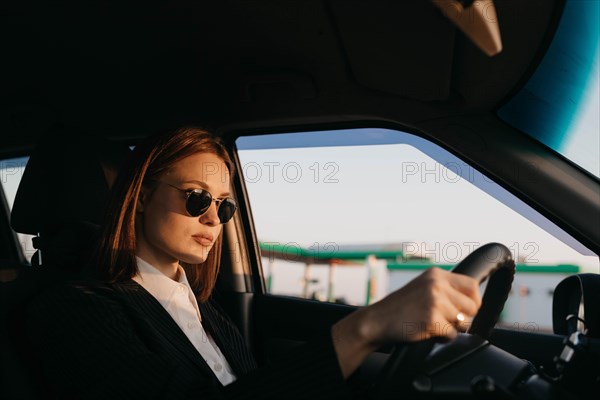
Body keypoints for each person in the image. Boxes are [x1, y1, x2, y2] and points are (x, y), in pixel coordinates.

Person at [26, 127, 482, 399]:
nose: (213, 217)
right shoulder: (74, 313)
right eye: (197, 198)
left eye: (224, 206)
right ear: (143, 196)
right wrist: (365, 328)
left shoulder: (204, 310)